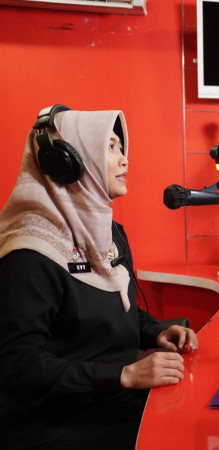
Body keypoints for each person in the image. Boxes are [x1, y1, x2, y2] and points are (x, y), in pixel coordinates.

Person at [0, 105, 199, 449]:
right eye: (109, 147)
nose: (124, 160)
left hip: (113, 403)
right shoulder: (29, 253)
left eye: (121, 147)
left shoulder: (110, 234)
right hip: (59, 426)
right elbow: (17, 366)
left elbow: (114, 307)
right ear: (66, 162)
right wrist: (124, 375)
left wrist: (156, 332)